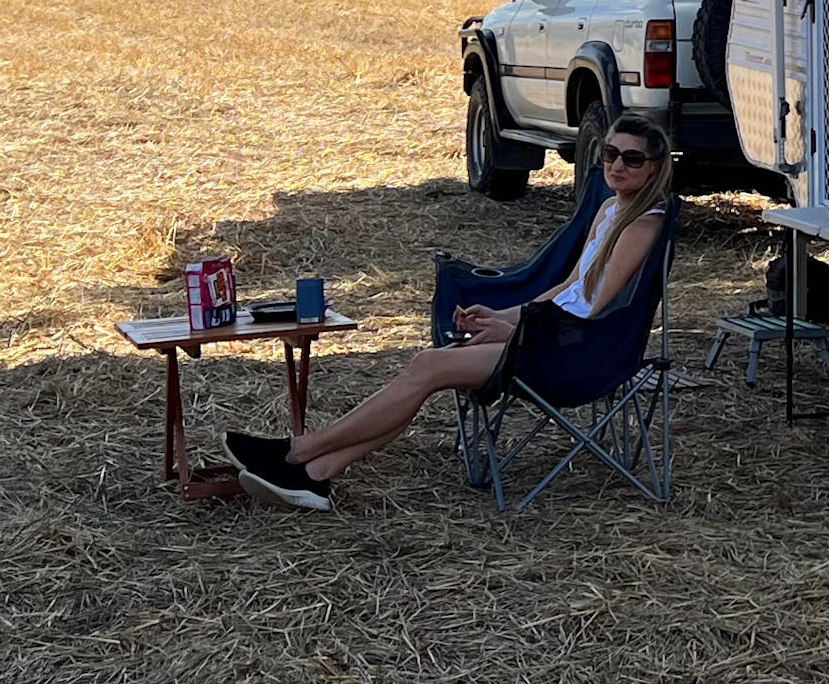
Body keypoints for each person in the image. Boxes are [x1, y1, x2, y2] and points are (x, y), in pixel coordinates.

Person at [230, 114, 675, 510]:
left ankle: (296, 454)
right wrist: (502, 314)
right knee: (430, 371)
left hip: (575, 355)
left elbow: (592, 306)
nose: (617, 165)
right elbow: (568, 287)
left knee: (428, 366)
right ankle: (315, 474)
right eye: (611, 154)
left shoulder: (643, 223)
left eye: (632, 159)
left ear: (654, 165)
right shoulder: (609, 208)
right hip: (551, 336)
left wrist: (510, 325)